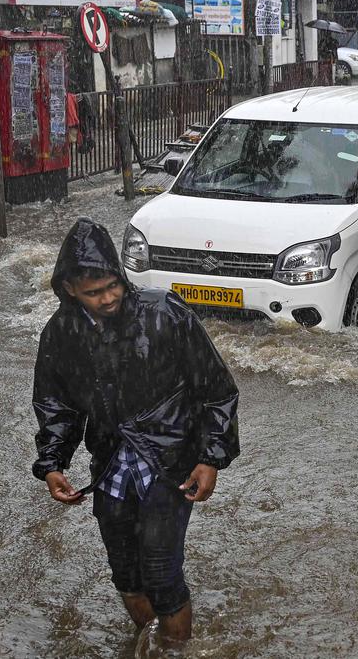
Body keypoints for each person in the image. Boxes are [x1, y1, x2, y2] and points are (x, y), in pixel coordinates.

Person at [32, 218, 240, 644]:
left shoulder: (165, 312)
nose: (107, 298)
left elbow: (216, 389)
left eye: (113, 286)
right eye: (94, 292)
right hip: (110, 465)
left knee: (162, 575)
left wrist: (210, 459)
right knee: (126, 573)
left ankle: (174, 648)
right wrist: (52, 463)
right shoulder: (61, 333)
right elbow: (56, 403)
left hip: (169, 461)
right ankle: (149, 644)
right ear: (70, 289)